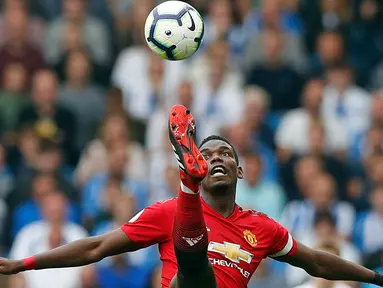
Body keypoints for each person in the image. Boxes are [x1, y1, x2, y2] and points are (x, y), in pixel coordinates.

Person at [1, 105, 383, 288]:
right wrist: (23, 264)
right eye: (208, 154)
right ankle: (188, 186)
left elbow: (317, 262)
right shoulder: (164, 213)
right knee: (195, 271)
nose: (218, 158)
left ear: (241, 171)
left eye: (225, 154)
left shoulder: (261, 228)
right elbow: (96, 246)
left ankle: (188, 180)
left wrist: (376, 278)